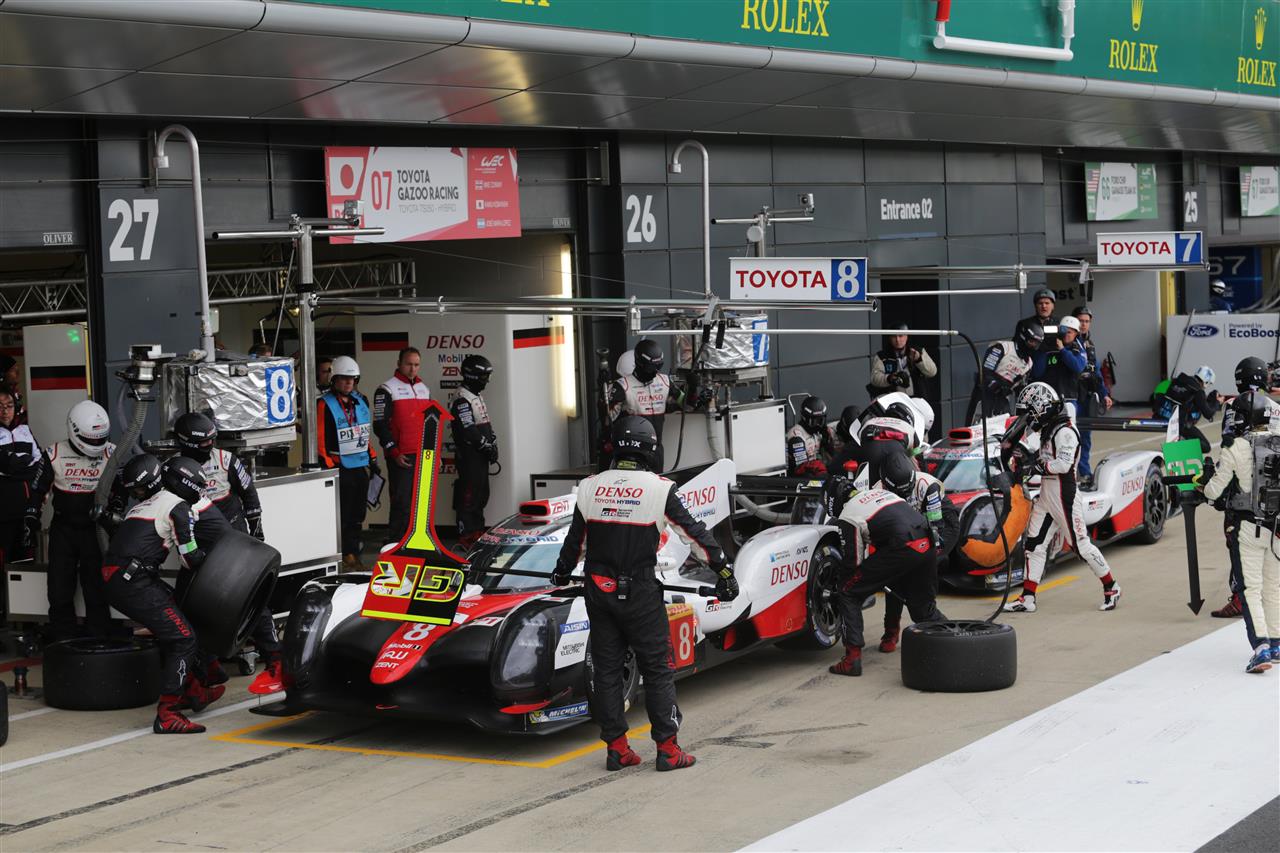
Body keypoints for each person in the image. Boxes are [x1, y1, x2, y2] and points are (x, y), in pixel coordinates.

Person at [552, 416, 735, 772]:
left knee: (606, 671)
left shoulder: (589, 486)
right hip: (640, 592)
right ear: (651, 449)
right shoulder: (660, 489)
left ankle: (617, 749)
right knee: (657, 669)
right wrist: (724, 570)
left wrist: (561, 570)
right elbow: (694, 535)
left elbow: (576, 542)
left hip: (598, 590)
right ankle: (668, 749)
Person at [101, 454, 224, 733]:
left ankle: (193, 690)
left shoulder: (140, 507)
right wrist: (216, 558)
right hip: (134, 582)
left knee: (179, 619)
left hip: (122, 578)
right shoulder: (179, 507)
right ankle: (168, 714)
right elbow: (190, 559)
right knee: (184, 638)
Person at [161, 456, 284, 694]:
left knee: (249, 603)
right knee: (188, 608)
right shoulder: (182, 498)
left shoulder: (180, 503)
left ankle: (276, 658)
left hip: (225, 557)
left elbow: (187, 551)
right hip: (208, 555)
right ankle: (209, 666)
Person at [1004, 383, 1121, 613]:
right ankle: (1028, 597)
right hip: (1047, 494)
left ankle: (1112, 586)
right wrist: (1025, 459)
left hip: (1064, 495)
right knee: (1034, 545)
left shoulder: (1065, 432)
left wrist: (1036, 467)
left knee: (1081, 546)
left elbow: (1063, 465)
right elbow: (1042, 458)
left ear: (1042, 408)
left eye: (1031, 412)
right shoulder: (1049, 429)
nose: (1029, 418)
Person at [827, 480, 945, 677]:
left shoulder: (848, 514)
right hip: (927, 542)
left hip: (903, 545)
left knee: (848, 590)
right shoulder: (883, 494)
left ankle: (852, 659)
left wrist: (843, 578)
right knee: (922, 608)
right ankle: (953, 643)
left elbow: (853, 561)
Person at [1200, 391, 1279, 672]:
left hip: (1247, 529)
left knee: (1251, 589)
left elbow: (1214, 491)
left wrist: (1203, 483)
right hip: (1277, 530)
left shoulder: (1235, 447)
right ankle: (1276, 643)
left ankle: (1261, 648)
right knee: (1273, 587)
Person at [30, 401, 116, 641]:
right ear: (74, 430)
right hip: (64, 530)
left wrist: (115, 510)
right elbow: (38, 491)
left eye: (100, 439)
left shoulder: (113, 453)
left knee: (96, 587)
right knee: (59, 588)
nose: (97, 445)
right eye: (91, 440)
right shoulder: (54, 453)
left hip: (96, 530)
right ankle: (63, 639)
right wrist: (31, 517)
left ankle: (99, 638)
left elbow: (122, 490)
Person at [1212, 358, 1280, 619]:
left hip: (1242, 485)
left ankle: (1241, 599)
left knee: (1237, 539)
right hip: (1271, 485)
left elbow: (1229, 444)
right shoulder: (1275, 407)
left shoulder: (1233, 405)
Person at [875, 449, 959, 653]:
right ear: (886, 484)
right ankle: (891, 630)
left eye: (908, 490)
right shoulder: (876, 492)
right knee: (894, 576)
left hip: (939, 525)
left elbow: (935, 531)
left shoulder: (927, 485)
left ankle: (941, 629)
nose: (905, 494)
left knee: (921, 585)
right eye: (900, 492)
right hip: (906, 528)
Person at [317, 356, 380, 568]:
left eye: (352, 379)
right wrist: (328, 464)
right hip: (338, 466)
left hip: (359, 465)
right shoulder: (324, 403)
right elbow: (320, 438)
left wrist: (372, 456)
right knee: (341, 514)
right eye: (344, 378)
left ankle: (352, 551)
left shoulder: (360, 401)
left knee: (358, 513)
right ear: (334, 379)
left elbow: (363, 432)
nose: (348, 383)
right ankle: (341, 553)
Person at [607, 339, 706, 472]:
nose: (655, 372)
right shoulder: (622, 386)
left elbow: (687, 406)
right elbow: (607, 420)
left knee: (657, 482)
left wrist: (692, 387)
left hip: (656, 449)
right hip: (631, 451)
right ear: (639, 363)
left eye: (658, 367)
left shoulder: (665, 381)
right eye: (651, 368)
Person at [372, 347, 432, 544]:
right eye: (408, 364)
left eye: (416, 365)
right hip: (401, 456)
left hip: (423, 455)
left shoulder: (424, 389)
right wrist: (393, 451)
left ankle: (416, 542)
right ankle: (397, 543)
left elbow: (430, 423)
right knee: (402, 502)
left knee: (421, 503)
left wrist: (434, 453)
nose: (412, 369)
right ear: (399, 364)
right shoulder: (386, 389)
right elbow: (380, 425)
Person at [173, 412, 262, 538]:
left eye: (211, 440)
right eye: (204, 442)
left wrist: (256, 529)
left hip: (233, 529)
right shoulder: (172, 468)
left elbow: (249, 493)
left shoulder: (226, 459)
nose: (209, 444)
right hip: (200, 534)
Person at [0, 387, 42, 619]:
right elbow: (9, 466)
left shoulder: (25, 430)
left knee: (25, 562)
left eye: (8, 406)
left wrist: (14, 468)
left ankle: (25, 618)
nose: (4, 411)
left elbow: (40, 463)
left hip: (26, 510)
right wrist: (16, 466)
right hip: (3, 512)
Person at [450, 355, 498, 550]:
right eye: (484, 377)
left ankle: (477, 531)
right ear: (473, 376)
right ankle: (466, 534)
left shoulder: (475, 395)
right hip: (469, 455)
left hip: (479, 455)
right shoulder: (462, 398)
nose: (487, 381)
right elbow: (468, 429)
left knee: (481, 494)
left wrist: (493, 443)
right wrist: (485, 446)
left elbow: (485, 424)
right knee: (469, 495)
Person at [964, 320, 1045, 424]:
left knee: (1006, 428)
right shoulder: (1003, 347)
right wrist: (997, 387)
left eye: (1037, 344)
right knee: (976, 427)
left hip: (1002, 400)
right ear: (1023, 337)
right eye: (1031, 341)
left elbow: (1021, 389)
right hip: (984, 394)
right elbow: (985, 372)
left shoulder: (1029, 363)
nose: (1033, 346)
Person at [1072, 306, 1113, 486]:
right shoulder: (1067, 342)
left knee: (1085, 438)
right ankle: (1070, 474)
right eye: (1080, 321)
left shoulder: (1090, 344)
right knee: (1069, 437)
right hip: (1071, 396)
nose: (1083, 324)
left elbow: (1096, 372)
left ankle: (1084, 472)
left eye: (1086, 321)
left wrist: (1104, 394)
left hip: (1087, 397)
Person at [1032, 314, 1087, 424]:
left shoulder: (1077, 349)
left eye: (1069, 332)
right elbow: (1037, 372)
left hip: (1068, 399)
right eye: (1064, 331)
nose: (1066, 334)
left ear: (1076, 333)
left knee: (1066, 430)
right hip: (1047, 399)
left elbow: (1078, 367)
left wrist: (1062, 350)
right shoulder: (1048, 348)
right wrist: (1043, 348)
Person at [1158, 365, 1220, 454]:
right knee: (1206, 447)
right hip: (1178, 423)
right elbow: (1208, 414)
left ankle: (1181, 439)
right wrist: (1217, 402)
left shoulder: (1178, 381)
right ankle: (1176, 447)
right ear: (1206, 382)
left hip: (1162, 416)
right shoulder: (1198, 391)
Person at [869, 326, 937, 399]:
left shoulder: (918, 351)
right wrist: (889, 378)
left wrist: (919, 359)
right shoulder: (882, 356)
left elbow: (932, 372)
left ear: (906, 336)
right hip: (893, 399)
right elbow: (874, 379)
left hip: (918, 398)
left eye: (901, 336)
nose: (897, 340)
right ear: (889, 338)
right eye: (894, 336)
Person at [786, 395, 833, 476]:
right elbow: (800, 469)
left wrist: (828, 442)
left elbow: (832, 458)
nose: (818, 425)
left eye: (821, 421)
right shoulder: (796, 436)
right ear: (805, 418)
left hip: (816, 470)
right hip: (800, 475)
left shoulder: (820, 432)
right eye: (814, 421)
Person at [0, 355, 25, 425]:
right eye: (13, 370)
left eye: (17, 369)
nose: (18, 373)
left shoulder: (15, 391)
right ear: (2, 374)